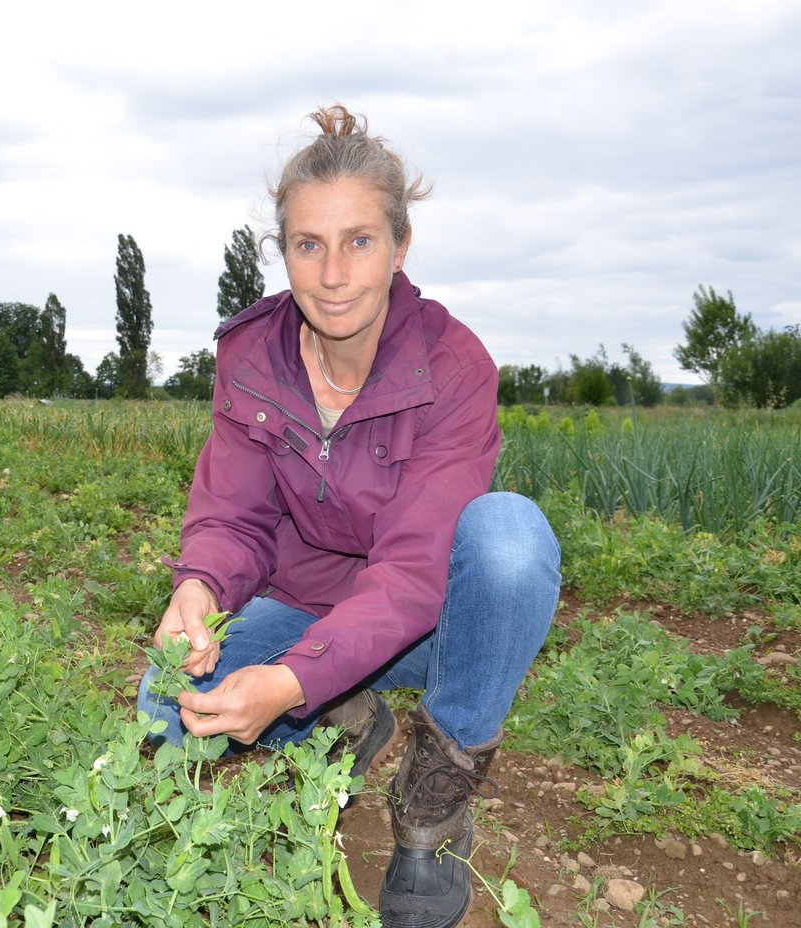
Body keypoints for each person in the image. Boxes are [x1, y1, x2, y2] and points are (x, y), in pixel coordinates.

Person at [138, 104, 561, 928]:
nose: (333, 273)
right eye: (309, 244)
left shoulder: (453, 365)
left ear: (401, 247)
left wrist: (289, 680)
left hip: (430, 628)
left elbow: (410, 573)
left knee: (509, 540)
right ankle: (346, 711)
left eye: (359, 241)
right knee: (170, 710)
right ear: (285, 250)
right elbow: (232, 516)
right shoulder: (252, 355)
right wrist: (198, 586)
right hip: (312, 611)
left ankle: (432, 807)